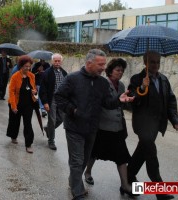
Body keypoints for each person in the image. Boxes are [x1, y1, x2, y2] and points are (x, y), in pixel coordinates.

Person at [54, 49, 134, 200]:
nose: (104, 67)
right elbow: (59, 96)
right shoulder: (72, 78)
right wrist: (73, 110)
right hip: (74, 127)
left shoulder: (103, 83)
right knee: (77, 160)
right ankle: (77, 192)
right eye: (101, 64)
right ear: (89, 63)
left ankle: (74, 181)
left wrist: (119, 100)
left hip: (92, 129)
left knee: (84, 160)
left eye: (104, 64)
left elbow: (108, 103)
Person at [127, 50, 178, 200]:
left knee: (142, 152)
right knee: (151, 154)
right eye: (152, 62)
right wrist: (143, 88)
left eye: (158, 62)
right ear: (145, 62)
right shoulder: (137, 79)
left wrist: (175, 120)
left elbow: (170, 100)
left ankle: (128, 177)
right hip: (142, 124)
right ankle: (160, 191)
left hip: (156, 125)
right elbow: (132, 99)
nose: (155, 65)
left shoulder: (163, 80)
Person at [83, 58, 138, 197]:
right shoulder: (102, 83)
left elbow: (123, 105)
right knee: (94, 153)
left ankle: (125, 185)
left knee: (121, 156)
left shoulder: (121, 86)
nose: (120, 73)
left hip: (117, 127)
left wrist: (129, 101)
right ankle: (88, 171)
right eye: (118, 70)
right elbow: (103, 103)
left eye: (122, 70)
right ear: (110, 70)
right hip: (102, 126)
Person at [6, 55, 37, 154]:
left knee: (28, 124)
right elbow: (11, 92)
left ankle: (28, 144)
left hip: (28, 104)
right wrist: (13, 106)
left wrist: (34, 91)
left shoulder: (32, 76)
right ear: (21, 66)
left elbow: (34, 88)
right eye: (25, 66)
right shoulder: (15, 76)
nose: (27, 68)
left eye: (29, 66)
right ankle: (13, 136)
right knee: (14, 121)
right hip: (16, 102)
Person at [39, 53, 67, 150]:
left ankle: (48, 129)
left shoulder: (64, 73)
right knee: (52, 120)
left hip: (62, 100)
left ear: (61, 62)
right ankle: (51, 141)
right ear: (52, 61)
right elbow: (42, 90)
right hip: (52, 99)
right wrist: (45, 102)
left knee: (62, 118)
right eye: (55, 61)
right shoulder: (47, 73)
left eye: (59, 61)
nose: (57, 62)